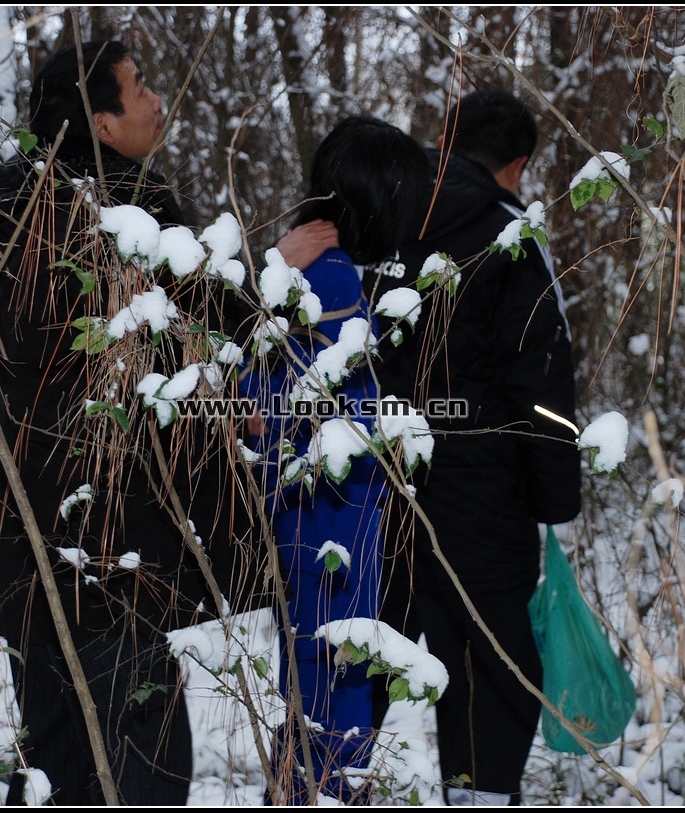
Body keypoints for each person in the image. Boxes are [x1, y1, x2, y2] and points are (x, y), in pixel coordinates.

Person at [0, 41, 332, 805]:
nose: (156, 99)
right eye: (139, 88)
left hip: (22, 540)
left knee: (62, 758)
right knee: (149, 765)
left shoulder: (3, 218)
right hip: (111, 543)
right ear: (101, 121)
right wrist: (275, 267)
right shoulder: (128, 213)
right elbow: (206, 317)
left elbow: (138, 351)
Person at [364, 90, 582, 805]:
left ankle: (314, 782)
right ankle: (473, 795)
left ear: (440, 136)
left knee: (356, 652)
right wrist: (555, 497)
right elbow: (542, 377)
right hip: (481, 495)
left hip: (368, 482)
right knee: (493, 670)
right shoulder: (510, 235)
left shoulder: (372, 206)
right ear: (517, 167)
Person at [239, 116, 429, 804]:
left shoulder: (307, 265)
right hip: (334, 516)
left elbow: (260, 394)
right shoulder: (337, 274)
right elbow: (320, 406)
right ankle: (322, 794)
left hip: (303, 510)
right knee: (338, 679)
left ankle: (306, 791)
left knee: (314, 677)